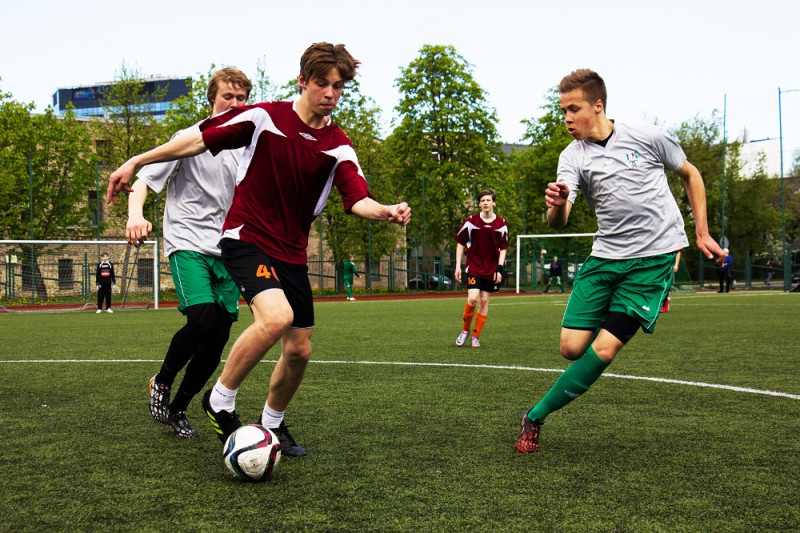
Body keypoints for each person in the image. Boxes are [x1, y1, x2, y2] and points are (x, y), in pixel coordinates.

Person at [107, 43, 411, 456]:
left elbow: (356, 197)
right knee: (272, 317)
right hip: (245, 240)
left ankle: (273, 424)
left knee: (299, 350)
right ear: (303, 81)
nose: (330, 94)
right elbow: (195, 141)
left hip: (291, 254)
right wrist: (136, 161)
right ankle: (220, 400)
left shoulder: (339, 145)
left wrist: (387, 210)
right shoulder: (265, 117)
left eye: (338, 88)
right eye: (322, 84)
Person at [515, 69, 725, 453]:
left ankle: (535, 415)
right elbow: (558, 221)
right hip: (606, 257)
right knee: (570, 348)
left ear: (598, 106)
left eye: (573, 109)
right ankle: (628, 311)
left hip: (652, 259)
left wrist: (702, 232)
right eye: (562, 110)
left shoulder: (647, 136)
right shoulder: (571, 157)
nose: (566, 118)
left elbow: (690, 174)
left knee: (605, 348)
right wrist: (558, 205)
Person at [126, 67, 252, 438]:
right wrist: (136, 215)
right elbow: (142, 182)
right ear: (212, 98)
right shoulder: (188, 138)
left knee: (216, 340)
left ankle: (178, 408)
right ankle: (162, 381)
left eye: (241, 98)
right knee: (202, 319)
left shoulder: (246, 146)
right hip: (187, 242)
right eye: (227, 97)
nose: (234, 104)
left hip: (227, 250)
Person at [453, 189, 509, 348]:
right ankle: (465, 331)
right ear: (479, 204)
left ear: (494, 203)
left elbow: (503, 248)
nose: (485, 203)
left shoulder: (501, 224)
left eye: (488, 200)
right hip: (474, 267)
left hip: (491, 269)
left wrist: (500, 269)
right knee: (472, 299)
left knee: (484, 301)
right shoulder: (471, 222)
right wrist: (458, 266)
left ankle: (475, 337)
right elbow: (460, 243)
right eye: (482, 200)